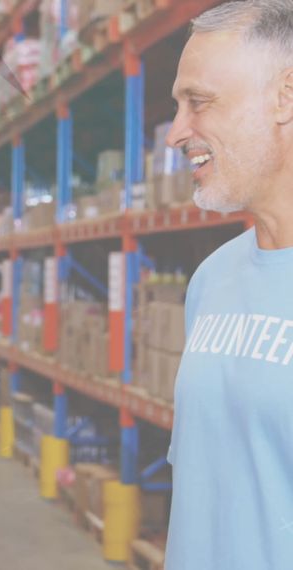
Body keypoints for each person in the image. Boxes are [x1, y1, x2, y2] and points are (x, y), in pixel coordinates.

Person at [164, 1, 293, 568]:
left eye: (199, 102)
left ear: (286, 96)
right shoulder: (212, 278)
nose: (176, 133)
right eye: (177, 106)